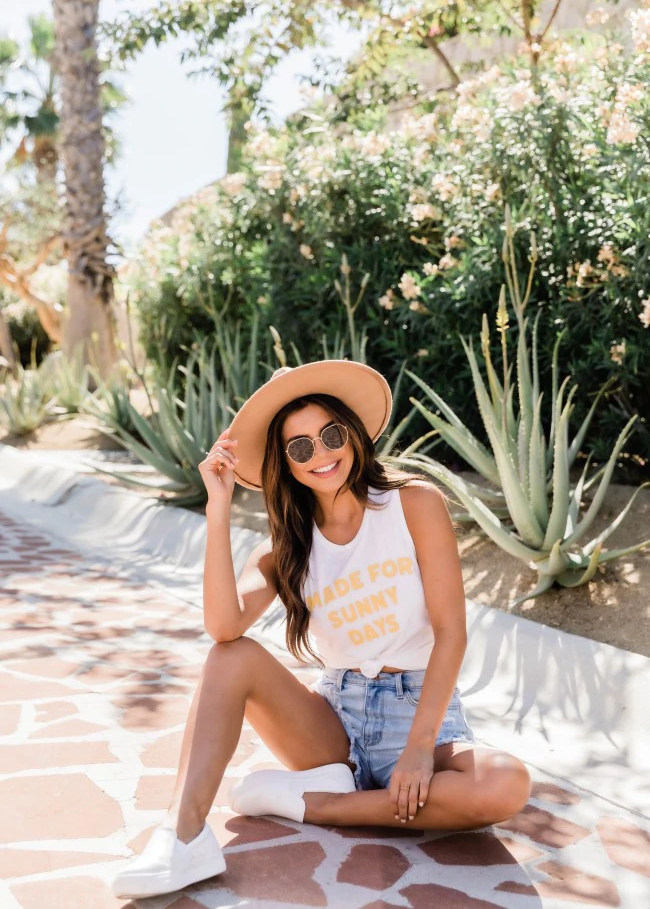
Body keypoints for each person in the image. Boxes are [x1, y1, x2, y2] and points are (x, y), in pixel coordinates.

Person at [111, 359, 531, 899]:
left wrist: (420, 748)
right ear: (285, 464)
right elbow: (223, 625)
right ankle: (182, 836)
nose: (321, 454)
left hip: (420, 711)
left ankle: (319, 802)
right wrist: (218, 510)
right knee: (230, 656)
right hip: (334, 725)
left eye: (329, 434)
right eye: (300, 447)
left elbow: (452, 631)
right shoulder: (285, 548)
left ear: (351, 434)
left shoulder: (414, 504)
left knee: (504, 785)